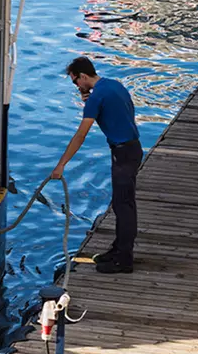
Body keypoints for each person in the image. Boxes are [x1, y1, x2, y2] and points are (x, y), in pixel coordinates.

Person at [49, 56, 141, 273]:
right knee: (122, 203)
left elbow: (80, 135)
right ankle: (118, 249)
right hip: (132, 147)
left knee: (123, 206)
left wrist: (61, 165)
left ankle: (124, 259)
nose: (76, 86)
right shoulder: (113, 85)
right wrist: (89, 99)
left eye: (75, 82)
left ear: (82, 76)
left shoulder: (95, 99)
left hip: (122, 153)